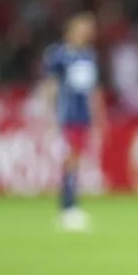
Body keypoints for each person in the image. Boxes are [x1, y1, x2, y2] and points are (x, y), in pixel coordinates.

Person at [41, 13, 106, 232]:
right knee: (70, 160)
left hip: (83, 117)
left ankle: (70, 206)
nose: (88, 32)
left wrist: (98, 116)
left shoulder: (89, 56)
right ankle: (67, 207)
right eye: (84, 28)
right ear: (72, 29)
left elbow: (93, 91)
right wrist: (49, 115)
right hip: (67, 115)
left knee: (76, 160)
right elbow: (51, 86)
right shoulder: (59, 55)